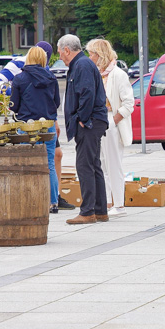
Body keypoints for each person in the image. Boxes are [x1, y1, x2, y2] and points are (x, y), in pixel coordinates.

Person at [58, 34, 109, 225]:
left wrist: (82, 118)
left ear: (67, 50)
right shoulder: (82, 64)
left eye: (60, 51)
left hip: (89, 123)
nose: (59, 56)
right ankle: (99, 210)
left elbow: (86, 93)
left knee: (84, 166)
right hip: (92, 122)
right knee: (93, 165)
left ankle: (88, 212)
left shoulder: (82, 65)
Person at [10, 46, 62, 213]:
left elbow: (14, 105)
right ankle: (53, 202)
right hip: (48, 125)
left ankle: (30, 200)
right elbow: (57, 103)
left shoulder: (19, 79)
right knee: (49, 165)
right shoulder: (52, 78)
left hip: (27, 126)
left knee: (26, 164)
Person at [86, 38, 134, 218]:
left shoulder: (118, 74)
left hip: (111, 122)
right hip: (98, 121)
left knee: (114, 164)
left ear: (100, 55)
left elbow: (129, 104)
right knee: (101, 164)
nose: (89, 57)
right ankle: (105, 202)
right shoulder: (96, 73)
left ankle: (119, 205)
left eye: (92, 53)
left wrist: (113, 121)